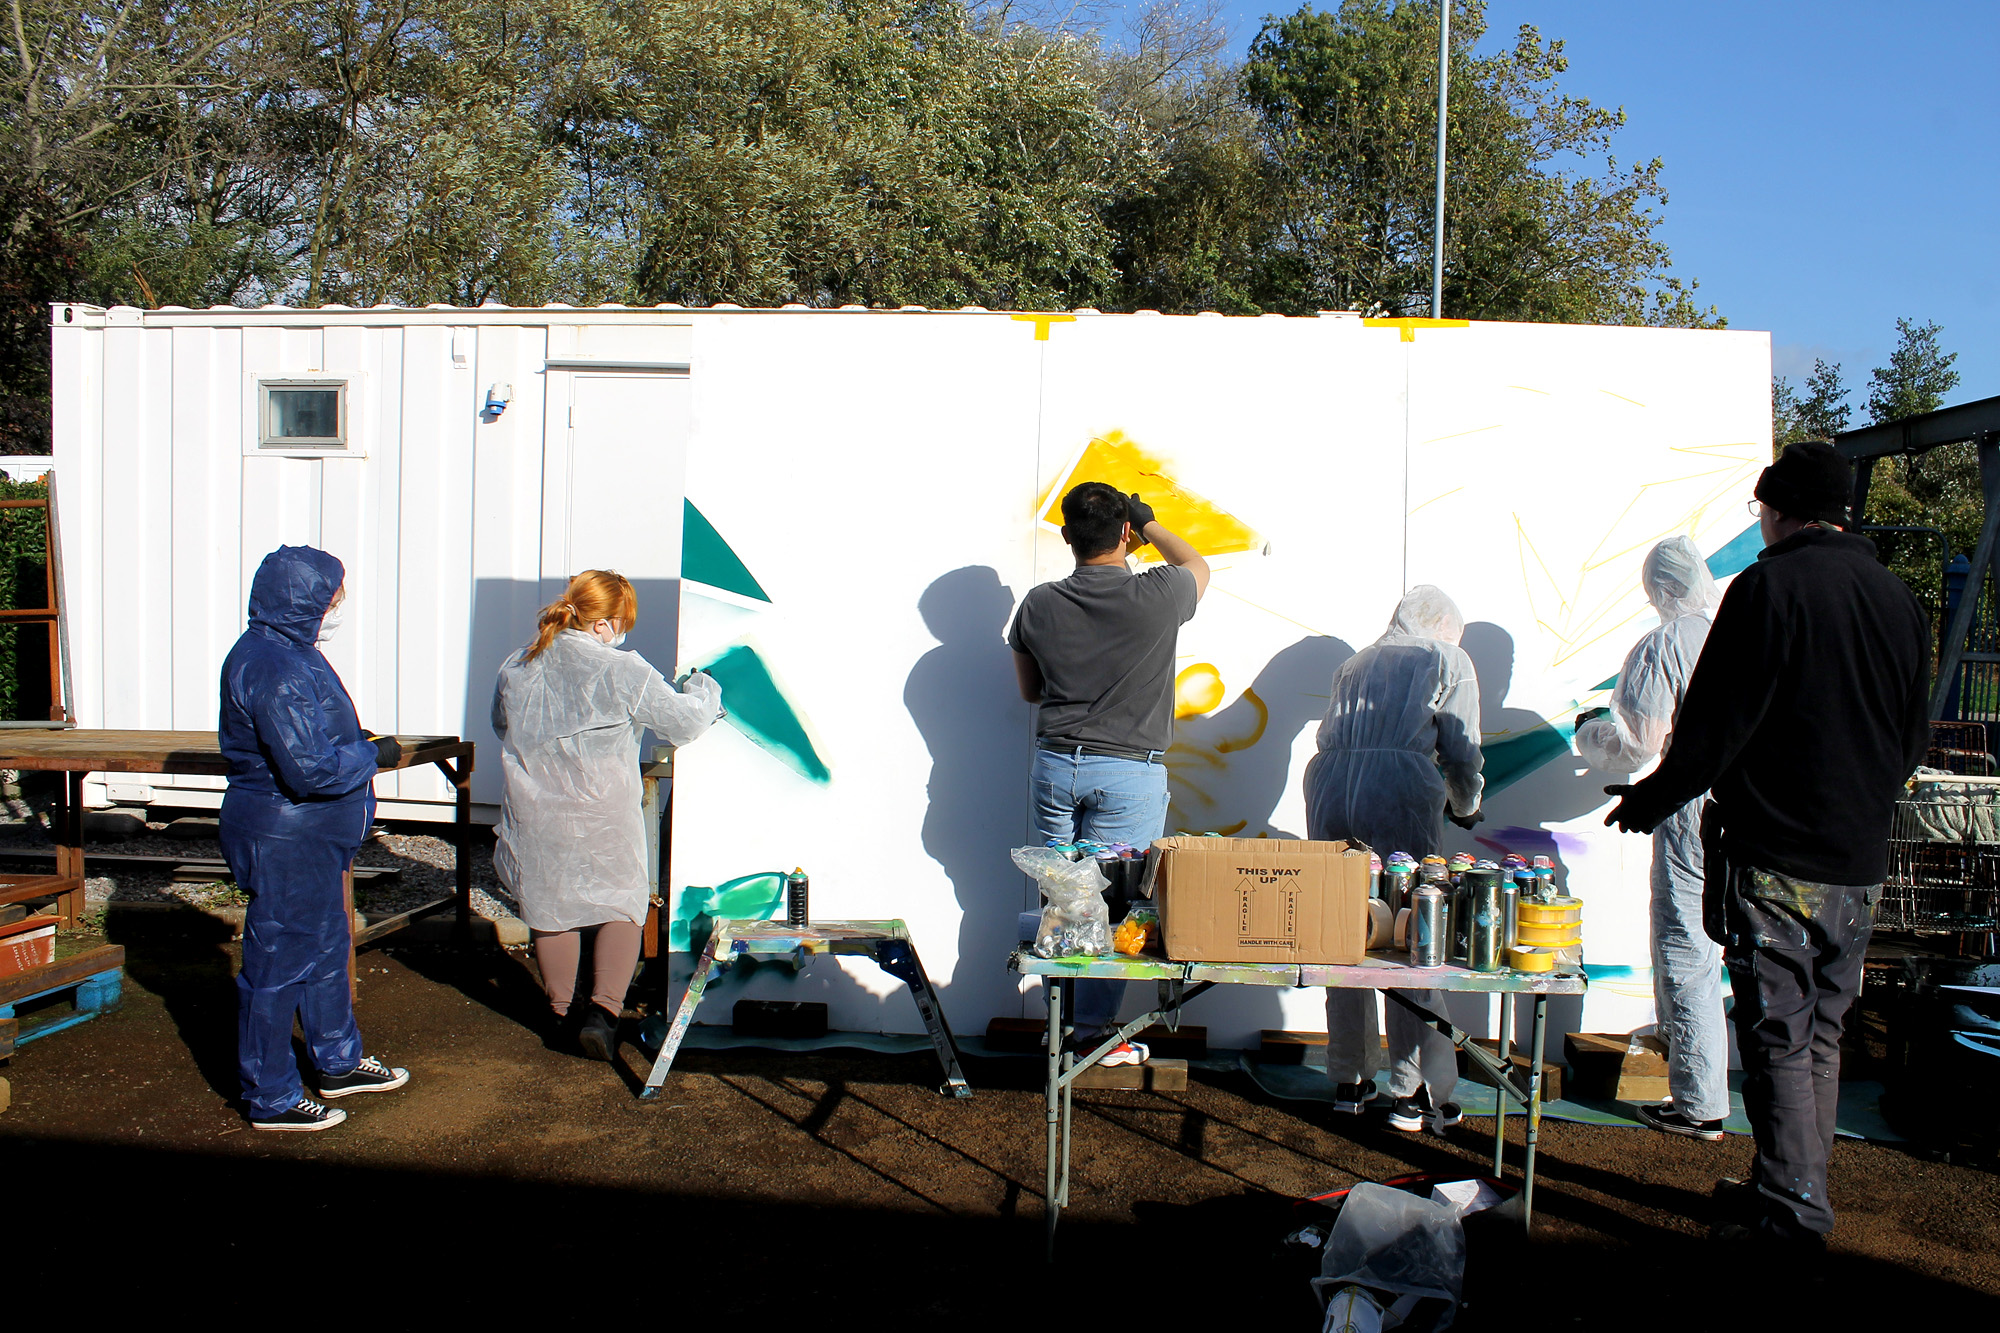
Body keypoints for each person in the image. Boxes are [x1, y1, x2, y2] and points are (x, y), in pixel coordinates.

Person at [1604, 441, 1930, 1247]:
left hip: (1777, 856)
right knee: (1820, 1030)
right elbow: (1912, 738)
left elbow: (1716, 724)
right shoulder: (1898, 599)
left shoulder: (1769, 586)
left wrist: (1650, 800)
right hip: (1857, 862)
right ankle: (1789, 1188)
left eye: (1761, 514)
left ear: (1780, 512)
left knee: (1779, 1034)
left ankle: (1791, 1219)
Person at [1010, 483, 1208, 1063]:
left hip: (1055, 765)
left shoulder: (1039, 603)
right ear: (1124, 533)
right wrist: (1148, 523)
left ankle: (1059, 1024)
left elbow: (1030, 691)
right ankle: (1092, 1034)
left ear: (1067, 536)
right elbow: (1196, 562)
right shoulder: (1162, 592)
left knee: (1062, 897)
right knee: (1112, 904)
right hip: (1128, 771)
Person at [493, 570, 723, 1062]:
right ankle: (603, 1012)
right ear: (608, 623)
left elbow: (501, 724)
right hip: (602, 814)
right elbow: (683, 722)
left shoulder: (518, 665)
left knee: (552, 908)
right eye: (623, 622)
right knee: (621, 904)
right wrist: (704, 690)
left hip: (537, 809)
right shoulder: (623, 671)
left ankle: (558, 1015)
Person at [220, 546, 409, 1132]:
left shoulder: (292, 652)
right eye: (332, 600)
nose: (337, 611)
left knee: (326, 949)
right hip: (286, 835)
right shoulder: (272, 665)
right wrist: (374, 754)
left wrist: (355, 744)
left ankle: (337, 1058)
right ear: (304, 602)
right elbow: (312, 770)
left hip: (311, 836)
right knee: (278, 964)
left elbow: (320, 736)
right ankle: (271, 1096)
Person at [1305, 586, 1483, 1133]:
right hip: (1400, 790)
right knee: (1410, 934)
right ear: (1446, 626)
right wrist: (1467, 803)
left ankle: (1348, 1079)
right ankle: (1410, 1092)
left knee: (1342, 933)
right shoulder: (1446, 658)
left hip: (1330, 785)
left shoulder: (1353, 664)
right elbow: (1460, 745)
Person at [1575, 537, 1730, 1141]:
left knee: (1686, 945)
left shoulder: (1665, 644)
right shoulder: (1741, 630)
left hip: (1690, 805)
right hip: (1753, 806)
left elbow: (1638, 741)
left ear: (1659, 590)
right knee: (1744, 950)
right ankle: (1743, 1096)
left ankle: (1699, 1104)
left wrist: (1593, 736)